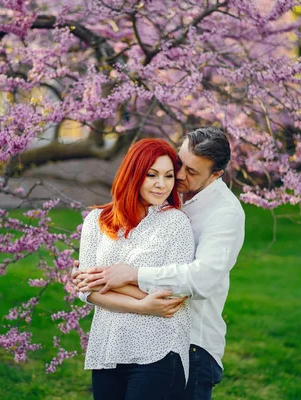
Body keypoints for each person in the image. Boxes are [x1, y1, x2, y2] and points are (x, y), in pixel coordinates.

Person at [75, 127, 245, 400]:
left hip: (192, 344)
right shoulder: (103, 220)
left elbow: (199, 281)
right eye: (180, 164)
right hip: (113, 344)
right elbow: (88, 285)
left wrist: (125, 276)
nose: (177, 176)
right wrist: (104, 279)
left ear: (215, 175)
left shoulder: (223, 214)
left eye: (191, 172)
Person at [77, 138, 196, 400]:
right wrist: (142, 305)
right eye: (151, 174)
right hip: (107, 349)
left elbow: (173, 296)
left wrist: (110, 281)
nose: (161, 184)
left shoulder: (176, 223)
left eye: (168, 176)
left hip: (160, 350)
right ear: (133, 174)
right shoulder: (96, 221)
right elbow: (85, 290)